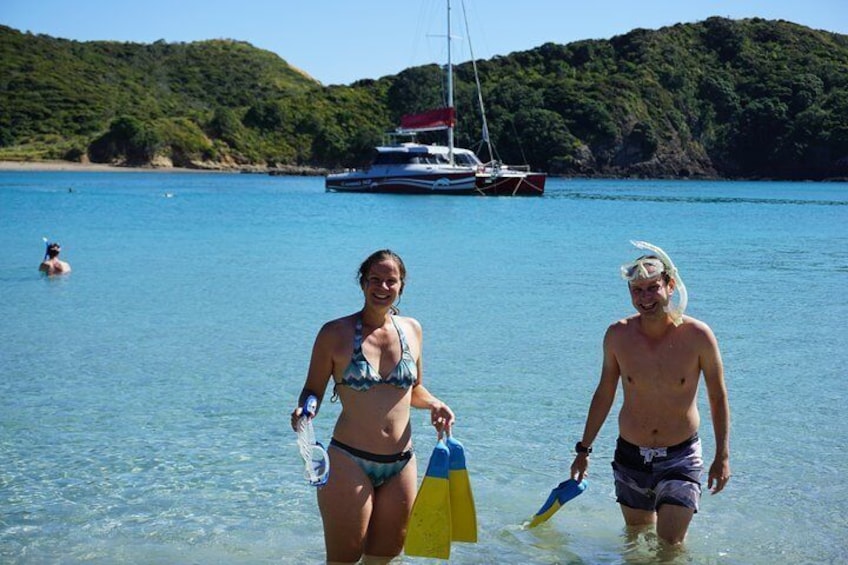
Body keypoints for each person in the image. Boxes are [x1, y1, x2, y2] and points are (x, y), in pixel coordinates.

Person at [290, 249, 455, 564]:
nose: (383, 287)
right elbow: (312, 391)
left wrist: (435, 403)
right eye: (375, 280)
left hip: (402, 463)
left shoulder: (412, 330)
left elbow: (414, 389)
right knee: (344, 559)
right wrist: (306, 411)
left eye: (391, 281)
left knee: (384, 557)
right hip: (348, 461)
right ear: (363, 283)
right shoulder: (334, 333)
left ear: (401, 286)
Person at [569, 241, 730, 546]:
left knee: (669, 542)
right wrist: (583, 450)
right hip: (630, 456)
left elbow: (718, 397)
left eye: (652, 288)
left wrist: (722, 455)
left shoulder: (698, 336)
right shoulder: (618, 335)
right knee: (637, 538)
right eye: (636, 290)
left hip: (680, 456)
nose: (644, 298)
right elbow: (604, 393)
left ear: (670, 286)